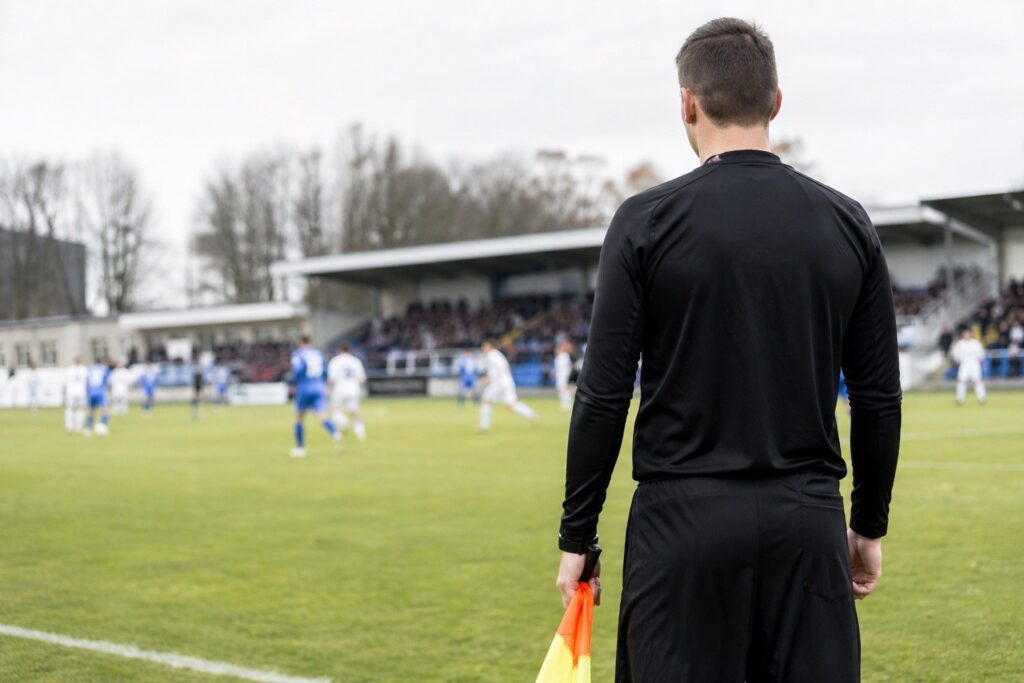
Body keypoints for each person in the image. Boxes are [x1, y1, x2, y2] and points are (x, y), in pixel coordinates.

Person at [554, 19, 901, 682]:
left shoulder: (645, 222)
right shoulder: (848, 222)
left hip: (681, 526)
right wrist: (868, 524)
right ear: (775, 102)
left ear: (688, 103)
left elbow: (603, 394)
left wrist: (578, 536)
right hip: (808, 522)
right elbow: (878, 397)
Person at [290, 335, 340, 457]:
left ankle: (300, 448)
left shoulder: (298, 354)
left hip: (305, 387)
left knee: (299, 417)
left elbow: (297, 371)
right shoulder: (319, 354)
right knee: (322, 415)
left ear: (300, 343)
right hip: (319, 387)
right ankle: (335, 432)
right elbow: (326, 372)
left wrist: (293, 383)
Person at [478, 339, 537, 432]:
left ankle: (484, 426)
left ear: (489, 346)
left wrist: (488, 378)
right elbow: (504, 367)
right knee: (511, 404)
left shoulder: (491, 356)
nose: (483, 348)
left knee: (486, 401)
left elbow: (497, 370)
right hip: (507, 382)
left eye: (484, 346)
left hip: (498, 383)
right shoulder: (497, 355)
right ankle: (530, 413)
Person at [327, 344, 368, 441]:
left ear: (339, 350)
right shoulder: (355, 361)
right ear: (349, 351)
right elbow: (362, 378)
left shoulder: (335, 361)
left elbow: (331, 378)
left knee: (335, 411)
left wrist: (329, 389)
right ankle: (361, 435)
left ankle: (343, 421)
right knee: (355, 413)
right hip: (353, 389)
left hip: (339, 389)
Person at [951, 328, 987, 405]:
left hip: (974, 364)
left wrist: (978, 363)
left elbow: (981, 355)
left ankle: (982, 398)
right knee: (961, 381)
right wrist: (957, 361)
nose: (967, 335)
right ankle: (960, 399)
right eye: (965, 334)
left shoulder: (976, 343)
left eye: (968, 334)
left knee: (977, 381)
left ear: (971, 334)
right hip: (964, 364)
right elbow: (956, 356)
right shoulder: (960, 344)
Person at [84, 359, 112, 436]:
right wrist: (110, 393)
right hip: (100, 392)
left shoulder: (90, 369)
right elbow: (108, 381)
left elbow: (87, 381)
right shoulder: (105, 369)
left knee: (91, 410)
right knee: (105, 410)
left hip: (91, 392)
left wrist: (87, 392)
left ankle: (88, 428)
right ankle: (103, 426)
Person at [64, 357, 88, 434]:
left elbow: (65, 382)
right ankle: (78, 427)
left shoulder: (70, 369)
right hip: (81, 392)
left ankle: (69, 427)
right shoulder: (84, 369)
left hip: (71, 392)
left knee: (69, 408)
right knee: (80, 409)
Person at [553, 339, 575, 411]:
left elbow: (570, 366)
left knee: (565, 388)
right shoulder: (558, 357)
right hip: (560, 375)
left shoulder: (565, 356)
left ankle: (567, 403)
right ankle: (565, 403)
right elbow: (557, 367)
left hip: (565, 374)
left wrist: (569, 374)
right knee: (561, 389)